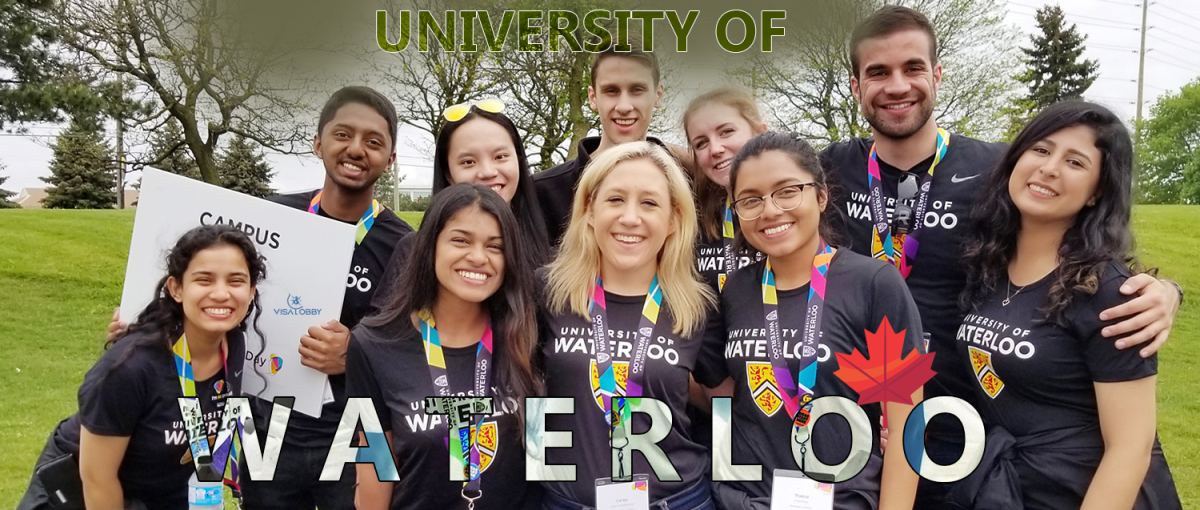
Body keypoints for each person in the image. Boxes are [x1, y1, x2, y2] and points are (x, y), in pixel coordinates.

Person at [819, 5, 1182, 476]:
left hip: (968, 425)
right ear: (856, 86)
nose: (896, 85)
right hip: (854, 418)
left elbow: (1077, 247)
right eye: (877, 72)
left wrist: (1165, 291)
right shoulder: (826, 172)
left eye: (912, 67)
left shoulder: (1000, 170)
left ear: (936, 74)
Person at [103, 86, 415, 509]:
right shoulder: (267, 217)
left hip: (361, 431)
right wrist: (146, 321)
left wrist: (355, 353)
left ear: (390, 160)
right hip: (266, 425)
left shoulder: (408, 246)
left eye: (374, 142)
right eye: (343, 134)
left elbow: (414, 346)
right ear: (318, 142)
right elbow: (212, 294)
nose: (356, 149)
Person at [950, 101, 1181, 509]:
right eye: (1040, 149)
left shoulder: (1110, 294)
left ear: (1097, 193)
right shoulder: (989, 266)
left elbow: (1130, 448)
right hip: (1017, 490)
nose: (1050, 168)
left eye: (1075, 162)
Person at [706, 132, 922, 510]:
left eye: (787, 191)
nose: (770, 210)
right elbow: (726, 397)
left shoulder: (873, 284)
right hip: (744, 500)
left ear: (821, 196)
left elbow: (908, 423)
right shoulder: (737, 289)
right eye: (751, 200)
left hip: (841, 499)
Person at [19, 224, 266, 510]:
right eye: (204, 280)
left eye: (236, 281)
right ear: (176, 288)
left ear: (251, 292)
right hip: (79, 496)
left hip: (157, 492)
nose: (222, 294)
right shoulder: (130, 368)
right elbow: (97, 479)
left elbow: (198, 428)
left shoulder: (233, 344)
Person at [538, 141, 723, 509]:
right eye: (616, 199)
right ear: (589, 211)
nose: (630, 217)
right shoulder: (547, 291)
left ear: (673, 220)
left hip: (677, 500)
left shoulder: (697, 306)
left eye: (649, 203)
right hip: (566, 501)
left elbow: (731, 405)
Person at [348, 183, 544, 510]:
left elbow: (545, 467)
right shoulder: (374, 346)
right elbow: (376, 469)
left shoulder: (528, 334)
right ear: (429, 246)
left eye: (495, 246)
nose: (478, 257)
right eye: (460, 240)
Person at [371, 100, 550, 311]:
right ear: (448, 173)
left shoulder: (551, 254)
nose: (487, 171)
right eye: (468, 162)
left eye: (500, 157)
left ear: (518, 161)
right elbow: (381, 332)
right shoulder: (412, 250)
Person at [534, 39, 667, 245]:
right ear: (593, 97)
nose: (624, 106)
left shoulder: (687, 185)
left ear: (658, 95)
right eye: (611, 91)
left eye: (636, 90)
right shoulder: (542, 193)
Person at [681, 86, 769, 293]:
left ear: (760, 132)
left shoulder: (796, 205)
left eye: (726, 132)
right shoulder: (693, 219)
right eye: (701, 143)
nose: (716, 149)